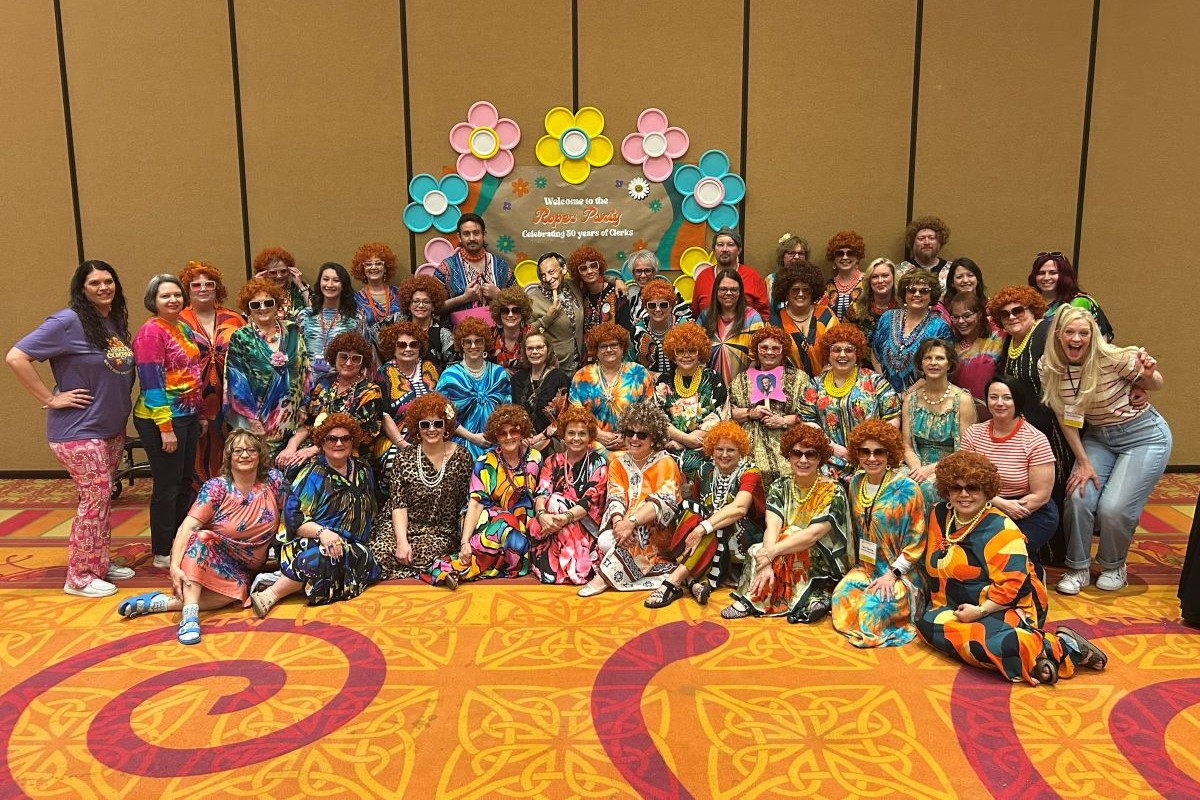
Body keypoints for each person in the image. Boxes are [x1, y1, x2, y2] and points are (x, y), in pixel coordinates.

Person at [916, 451, 1108, 686]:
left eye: (973, 487)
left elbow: (1013, 588)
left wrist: (980, 611)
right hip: (954, 605)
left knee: (983, 639)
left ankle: (1056, 647)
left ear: (987, 491)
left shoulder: (1002, 529)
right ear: (947, 490)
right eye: (956, 488)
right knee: (926, 625)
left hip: (1006, 605)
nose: (964, 494)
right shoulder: (940, 514)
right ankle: (1040, 654)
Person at [7, 260, 135, 598]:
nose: (104, 287)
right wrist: (51, 398)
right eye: (94, 283)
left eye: (109, 280)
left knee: (102, 498)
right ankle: (78, 576)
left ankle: (98, 562)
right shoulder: (67, 321)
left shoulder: (111, 321)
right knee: (94, 499)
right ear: (81, 289)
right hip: (78, 431)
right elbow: (16, 357)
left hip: (109, 429)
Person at [1041, 306, 1171, 594]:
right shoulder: (1048, 365)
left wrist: (1148, 377)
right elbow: (1066, 417)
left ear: (1093, 335)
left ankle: (1114, 565)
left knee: (1114, 509)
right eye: (1070, 332)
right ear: (1059, 335)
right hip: (1099, 438)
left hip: (1144, 436)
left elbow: (1156, 383)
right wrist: (1083, 462)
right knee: (1078, 496)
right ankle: (1077, 568)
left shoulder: (1115, 357)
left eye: (1084, 333)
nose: (1077, 338)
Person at [114, 432, 287, 644]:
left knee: (236, 594)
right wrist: (174, 567)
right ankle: (189, 616)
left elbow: (289, 514)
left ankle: (163, 603)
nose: (245, 455)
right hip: (216, 555)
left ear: (260, 455)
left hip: (251, 563)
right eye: (238, 451)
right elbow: (187, 527)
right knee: (201, 537)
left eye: (251, 450)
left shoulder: (273, 481)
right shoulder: (216, 487)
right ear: (229, 456)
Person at [249, 413, 380, 615]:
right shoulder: (312, 474)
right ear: (321, 443)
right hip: (311, 540)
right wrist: (323, 533)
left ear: (352, 441)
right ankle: (271, 594)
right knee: (324, 555)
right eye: (332, 439)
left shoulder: (363, 469)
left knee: (364, 558)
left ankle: (281, 579)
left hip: (353, 545)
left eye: (345, 438)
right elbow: (294, 521)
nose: (339, 443)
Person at [721, 425, 852, 622]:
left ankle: (754, 599)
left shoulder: (833, 490)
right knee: (757, 548)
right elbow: (772, 526)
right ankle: (811, 600)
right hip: (786, 550)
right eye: (797, 453)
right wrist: (766, 560)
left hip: (822, 557)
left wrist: (771, 553)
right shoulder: (780, 485)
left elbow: (813, 535)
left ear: (821, 458)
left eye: (811, 454)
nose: (803, 460)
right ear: (788, 456)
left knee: (790, 534)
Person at [990, 285, 1072, 564]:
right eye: (1005, 314)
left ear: (1032, 309)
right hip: (1025, 430)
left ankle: (1061, 555)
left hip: (1054, 428)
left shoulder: (1046, 331)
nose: (1012, 317)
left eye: (1018, 310)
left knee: (1057, 490)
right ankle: (1036, 549)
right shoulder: (1009, 342)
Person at [830, 419, 926, 648]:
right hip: (867, 567)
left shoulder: (908, 489)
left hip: (899, 573)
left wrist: (892, 574)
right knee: (840, 597)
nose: (871, 458)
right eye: (864, 452)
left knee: (872, 612)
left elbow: (917, 541)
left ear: (890, 454)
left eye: (878, 452)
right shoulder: (856, 483)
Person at [132, 274, 203, 568]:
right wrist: (165, 429)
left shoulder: (181, 326)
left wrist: (197, 414)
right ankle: (162, 550)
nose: (172, 300)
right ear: (153, 301)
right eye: (165, 296)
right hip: (160, 419)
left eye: (176, 294)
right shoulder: (151, 333)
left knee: (184, 481)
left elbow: (190, 373)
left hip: (186, 415)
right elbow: (151, 384)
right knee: (168, 485)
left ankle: (178, 539)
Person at [578, 403, 683, 597]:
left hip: (658, 528)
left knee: (640, 531)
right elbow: (615, 497)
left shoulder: (665, 462)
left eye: (642, 435)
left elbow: (665, 503)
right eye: (629, 433)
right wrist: (619, 524)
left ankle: (604, 578)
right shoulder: (618, 462)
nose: (634, 438)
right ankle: (636, 566)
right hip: (625, 527)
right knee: (604, 540)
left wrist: (631, 522)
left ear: (654, 438)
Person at [368, 393, 473, 583]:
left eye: (437, 424)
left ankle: (434, 569)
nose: (431, 429)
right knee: (379, 553)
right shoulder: (404, 457)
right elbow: (398, 503)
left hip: (439, 532)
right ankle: (436, 571)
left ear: (446, 426)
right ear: (417, 427)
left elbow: (466, 503)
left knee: (420, 553)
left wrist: (464, 540)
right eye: (425, 424)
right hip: (401, 526)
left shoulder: (462, 457)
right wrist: (401, 541)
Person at [432, 405, 543, 583]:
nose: (508, 437)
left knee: (518, 540)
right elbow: (475, 504)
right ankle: (453, 570)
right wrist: (465, 542)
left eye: (513, 431)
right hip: (486, 520)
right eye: (502, 433)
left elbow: (539, 495)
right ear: (495, 437)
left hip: (523, 526)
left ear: (522, 432)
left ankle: (473, 566)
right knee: (504, 524)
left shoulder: (535, 458)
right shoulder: (485, 461)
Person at [961, 377, 1058, 566]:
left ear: (1017, 401)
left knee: (1003, 552)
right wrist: (998, 504)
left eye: (1007, 397)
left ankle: (1032, 574)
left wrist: (1007, 511)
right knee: (967, 554)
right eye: (993, 397)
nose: (999, 403)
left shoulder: (1035, 439)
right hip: (982, 503)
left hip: (1028, 510)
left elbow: (1041, 495)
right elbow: (966, 480)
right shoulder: (973, 434)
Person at [668, 421, 766, 596]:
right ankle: (695, 583)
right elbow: (696, 510)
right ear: (712, 449)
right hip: (707, 540)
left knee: (716, 524)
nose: (725, 455)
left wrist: (702, 528)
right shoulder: (704, 470)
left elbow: (740, 508)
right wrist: (700, 526)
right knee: (687, 507)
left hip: (743, 536)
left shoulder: (750, 472)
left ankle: (675, 580)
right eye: (719, 449)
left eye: (731, 450)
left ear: (741, 451)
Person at [800, 323, 900, 475]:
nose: (842, 355)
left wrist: (870, 450)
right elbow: (807, 420)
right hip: (830, 459)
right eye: (836, 350)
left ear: (857, 353)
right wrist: (832, 447)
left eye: (848, 350)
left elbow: (892, 417)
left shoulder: (875, 381)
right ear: (828, 353)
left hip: (873, 460)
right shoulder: (814, 385)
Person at [223, 277, 309, 455]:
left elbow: (304, 368)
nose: (263, 308)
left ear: (276, 304)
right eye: (255, 305)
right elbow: (237, 380)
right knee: (259, 465)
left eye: (268, 302)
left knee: (287, 466)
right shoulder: (241, 337)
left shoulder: (292, 330)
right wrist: (251, 418)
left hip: (290, 415)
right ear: (248, 310)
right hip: (257, 419)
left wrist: (302, 405)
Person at [277, 331, 383, 471]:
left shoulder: (370, 392)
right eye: (343, 357)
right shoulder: (324, 383)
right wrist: (291, 447)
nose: (348, 363)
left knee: (300, 469)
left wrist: (313, 450)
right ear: (335, 357)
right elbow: (307, 425)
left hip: (345, 452)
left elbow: (356, 437)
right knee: (284, 461)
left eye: (356, 359)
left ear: (363, 363)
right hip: (313, 446)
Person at [178, 260, 245, 484]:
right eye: (196, 285)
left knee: (229, 450)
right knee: (196, 454)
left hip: (229, 402)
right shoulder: (177, 321)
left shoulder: (235, 319)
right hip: (191, 401)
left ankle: (228, 505)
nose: (203, 288)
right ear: (187, 290)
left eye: (209, 284)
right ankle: (198, 508)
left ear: (218, 288)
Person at [528, 405, 609, 585]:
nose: (576, 438)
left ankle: (572, 563)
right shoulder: (552, 460)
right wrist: (542, 516)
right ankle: (570, 564)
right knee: (545, 509)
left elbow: (590, 502)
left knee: (556, 501)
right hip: (552, 521)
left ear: (590, 437)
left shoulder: (598, 462)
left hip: (585, 523)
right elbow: (541, 492)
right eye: (571, 433)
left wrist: (563, 517)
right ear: (563, 435)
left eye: (582, 433)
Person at [729, 325, 810, 489]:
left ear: (783, 351)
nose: (769, 352)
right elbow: (731, 412)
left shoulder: (799, 378)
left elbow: (808, 414)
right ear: (756, 350)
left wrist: (783, 421)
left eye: (775, 348)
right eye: (764, 347)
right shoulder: (742, 379)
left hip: (787, 439)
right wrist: (751, 412)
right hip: (751, 442)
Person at [901, 339, 977, 506]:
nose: (933, 363)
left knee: (929, 490)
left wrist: (928, 471)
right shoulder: (911, 400)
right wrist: (917, 469)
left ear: (949, 364)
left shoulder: (962, 399)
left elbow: (965, 450)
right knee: (897, 488)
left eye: (940, 358)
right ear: (920, 364)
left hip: (953, 466)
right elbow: (906, 445)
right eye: (928, 358)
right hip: (916, 464)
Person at [654, 321, 728, 479]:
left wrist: (689, 442)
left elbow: (719, 416)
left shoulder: (713, 378)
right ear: (673, 354)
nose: (686, 356)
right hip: (671, 444)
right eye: (680, 351)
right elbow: (658, 419)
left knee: (696, 463)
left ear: (700, 352)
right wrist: (685, 439)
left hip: (704, 445)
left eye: (692, 351)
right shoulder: (664, 380)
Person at [569, 321, 655, 450]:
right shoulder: (582, 376)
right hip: (592, 445)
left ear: (622, 347)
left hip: (633, 444)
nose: (609, 350)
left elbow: (650, 413)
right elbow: (574, 415)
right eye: (603, 346)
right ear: (596, 350)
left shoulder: (640, 373)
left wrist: (628, 436)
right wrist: (597, 434)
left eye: (614, 345)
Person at [434, 316, 512, 459]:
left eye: (478, 341)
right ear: (461, 345)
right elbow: (441, 414)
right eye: (467, 342)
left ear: (485, 343)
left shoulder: (499, 373)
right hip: (460, 448)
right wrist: (472, 437)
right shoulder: (450, 376)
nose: (473, 346)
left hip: (496, 444)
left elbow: (507, 411)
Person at [870, 267, 952, 393]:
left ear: (931, 296)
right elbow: (875, 355)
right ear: (905, 293)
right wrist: (885, 389)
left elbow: (943, 366)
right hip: (884, 395)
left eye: (924, 291)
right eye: (911, 290)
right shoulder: (887, 318)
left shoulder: (940, 328)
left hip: (922, 396)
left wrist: (909, 393)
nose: (917, 294)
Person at [372, 322, 440, 473]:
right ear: (393, 348)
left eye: (413, 344)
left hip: (433, 433)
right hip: (396, 437)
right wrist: (403, 444)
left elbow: (442, 406)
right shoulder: (385, 373)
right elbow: (383, 415)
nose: (408, 349)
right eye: (402, 345)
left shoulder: (429, 367)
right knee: (398, 463)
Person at [295, 262, 365, 383]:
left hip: (342, 384)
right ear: (319, 283)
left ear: (343, 285)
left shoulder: (355, 318)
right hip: (307, 386)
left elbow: (364, 355)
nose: (329, 285)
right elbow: (295, 352)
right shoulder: (304, 315)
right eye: (325, 279)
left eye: (336, 280)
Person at [434, 213, 514, 318]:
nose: (472, 238)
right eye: (466, 234)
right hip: (457, 332)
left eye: (476, 233)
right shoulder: (446, 268)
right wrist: (464, 298)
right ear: (459, 237)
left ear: (484, 235)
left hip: (498, 332)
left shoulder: (501, 266)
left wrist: (499, 295)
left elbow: (521, 304)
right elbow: (433, 308)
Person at [1028, 251, 1114, 342]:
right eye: (1041, 273)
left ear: (1065, 275)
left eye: (1053, 273)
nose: (1046, 277)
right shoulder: (1028, 305)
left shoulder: (1081, 302)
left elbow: (1102, 340)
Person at [699, 268, 765, 385]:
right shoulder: (705, 316)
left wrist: (743, 384)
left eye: (733, 289)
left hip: (743, 387)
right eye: (723, 289)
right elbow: (696, 350)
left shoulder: (752, 318)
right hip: (710, 388)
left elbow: (759, 356)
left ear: (740, 292)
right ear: (716, 291)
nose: (728, 293)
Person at [771, 261, 836, 375]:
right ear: (786, 292)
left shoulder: (826, 316)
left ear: (813, 291)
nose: (801, 294)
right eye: (795, 290)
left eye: (806, 290)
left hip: (825, 384)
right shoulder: (775, 322)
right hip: (789, 387)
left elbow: (839, 348)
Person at [511, 330, 571, 452]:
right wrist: (523, 436)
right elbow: (513, 413)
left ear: (548, 350)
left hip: (551, 439)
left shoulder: (560, 378)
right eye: (530, 348)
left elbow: (564, 417)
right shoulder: (517, 378)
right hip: (521, 439)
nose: (534, 352)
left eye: (539, 347)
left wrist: (540, 437)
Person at [691, 226, 770, 318]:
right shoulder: (703, 277)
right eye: (720, 245)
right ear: (714, 249)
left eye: (730, 244)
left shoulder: (752, 276)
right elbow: (695, 314)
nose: (725, 249)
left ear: (739, 249)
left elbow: (764, 316)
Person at [529, 251, 585, 373]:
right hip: (555, 368)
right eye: (543, 275)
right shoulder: (533, 300)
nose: (548, 279)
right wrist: (548, 318)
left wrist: (616, 280)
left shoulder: (573, 286)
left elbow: (595, 278)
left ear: (563, 269)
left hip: (581, 364)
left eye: (551, 272)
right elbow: (525, 333)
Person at [388, 275, 455, 371]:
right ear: (408, 304)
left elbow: (450, 369)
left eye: (426, 302)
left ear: (433, 306)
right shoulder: (397, 321)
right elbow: (372, 337)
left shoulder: (443, 334)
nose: (420, 305)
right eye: (415, 301)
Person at [947, 292, 1003, 405]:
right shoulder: (950, 342)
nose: (961, 321)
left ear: (979, 314)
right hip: (960, 409)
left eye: (967, 316)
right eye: (956, 317)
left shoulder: (998, 336)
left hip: (995, 406)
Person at [351, 241, 403, 353]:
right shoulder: (355, 299)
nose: (373, 267)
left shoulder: (400, 295)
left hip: (401, 352)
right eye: (368, 264)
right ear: (362, 269)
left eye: (378, 263)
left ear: (385, 268)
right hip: (369, 355)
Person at [570, 246, 630, 336]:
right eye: (583, 268)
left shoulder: (617, 293)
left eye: (593, 266)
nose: (589, 271)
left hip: (613, 348)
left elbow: (625, 331)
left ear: (599, 267)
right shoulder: (580, 296)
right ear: (578, 273)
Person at [624, 249, 690, 326]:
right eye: (638, 271)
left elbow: (687, 320)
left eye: (647, 270)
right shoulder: (633, 301)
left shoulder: (671, 292)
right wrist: (639, 325)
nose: (643, 275)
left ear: (654, 272)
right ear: (633, 274)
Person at [629, 279, 677, 376]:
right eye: (652, 305)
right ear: (645, 307)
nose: (658, 309)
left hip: (682, 386)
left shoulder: (684, 327)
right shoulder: (636, 331)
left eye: (663, 305)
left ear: (671, 306)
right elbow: (628, 365)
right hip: (645, 385)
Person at [846, 258, 898, 345]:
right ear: (869, 281)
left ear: (893, 277)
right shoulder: (856, 308)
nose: (880, 281)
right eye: (875, 277)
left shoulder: (904, 307)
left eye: (885, 275)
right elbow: (846, 340)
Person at [253, 246, 310, 317]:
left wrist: (300, 285)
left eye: (283, 271)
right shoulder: (257, 293)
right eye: (273, 273)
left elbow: (317, 314)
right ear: (263, 274)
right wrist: (257, 286)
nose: (279, 276)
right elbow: (249, 318)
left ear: (290, 271)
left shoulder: (298, 288)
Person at [897, 215, 951, 288]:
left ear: (939, 241)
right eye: (921, 238)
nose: (927, 242)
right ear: (913, 242)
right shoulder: (900, 271)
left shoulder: (951, 270)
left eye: (931, 238)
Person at [822, 230, 865, 321]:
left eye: (850, 253)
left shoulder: (868, 283)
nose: (845, 257)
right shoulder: (828, 286)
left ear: (857, 257)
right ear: (834, 258)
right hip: (832, 334)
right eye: (840, 254)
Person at [488, 285, 533, 373]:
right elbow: (481, 365)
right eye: (505, 311)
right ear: (499, 313)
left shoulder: (532, 333)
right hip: (498, 383)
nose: (510, 314)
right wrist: (501, 372)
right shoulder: (491, 335)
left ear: (522, 313)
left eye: (515, 310)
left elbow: (547, 363)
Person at [765, 232, 811, 312]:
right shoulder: (770, 280)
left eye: (800, 253)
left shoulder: (812, 280)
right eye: (791, 253)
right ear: (782, 256)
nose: (796, 257)